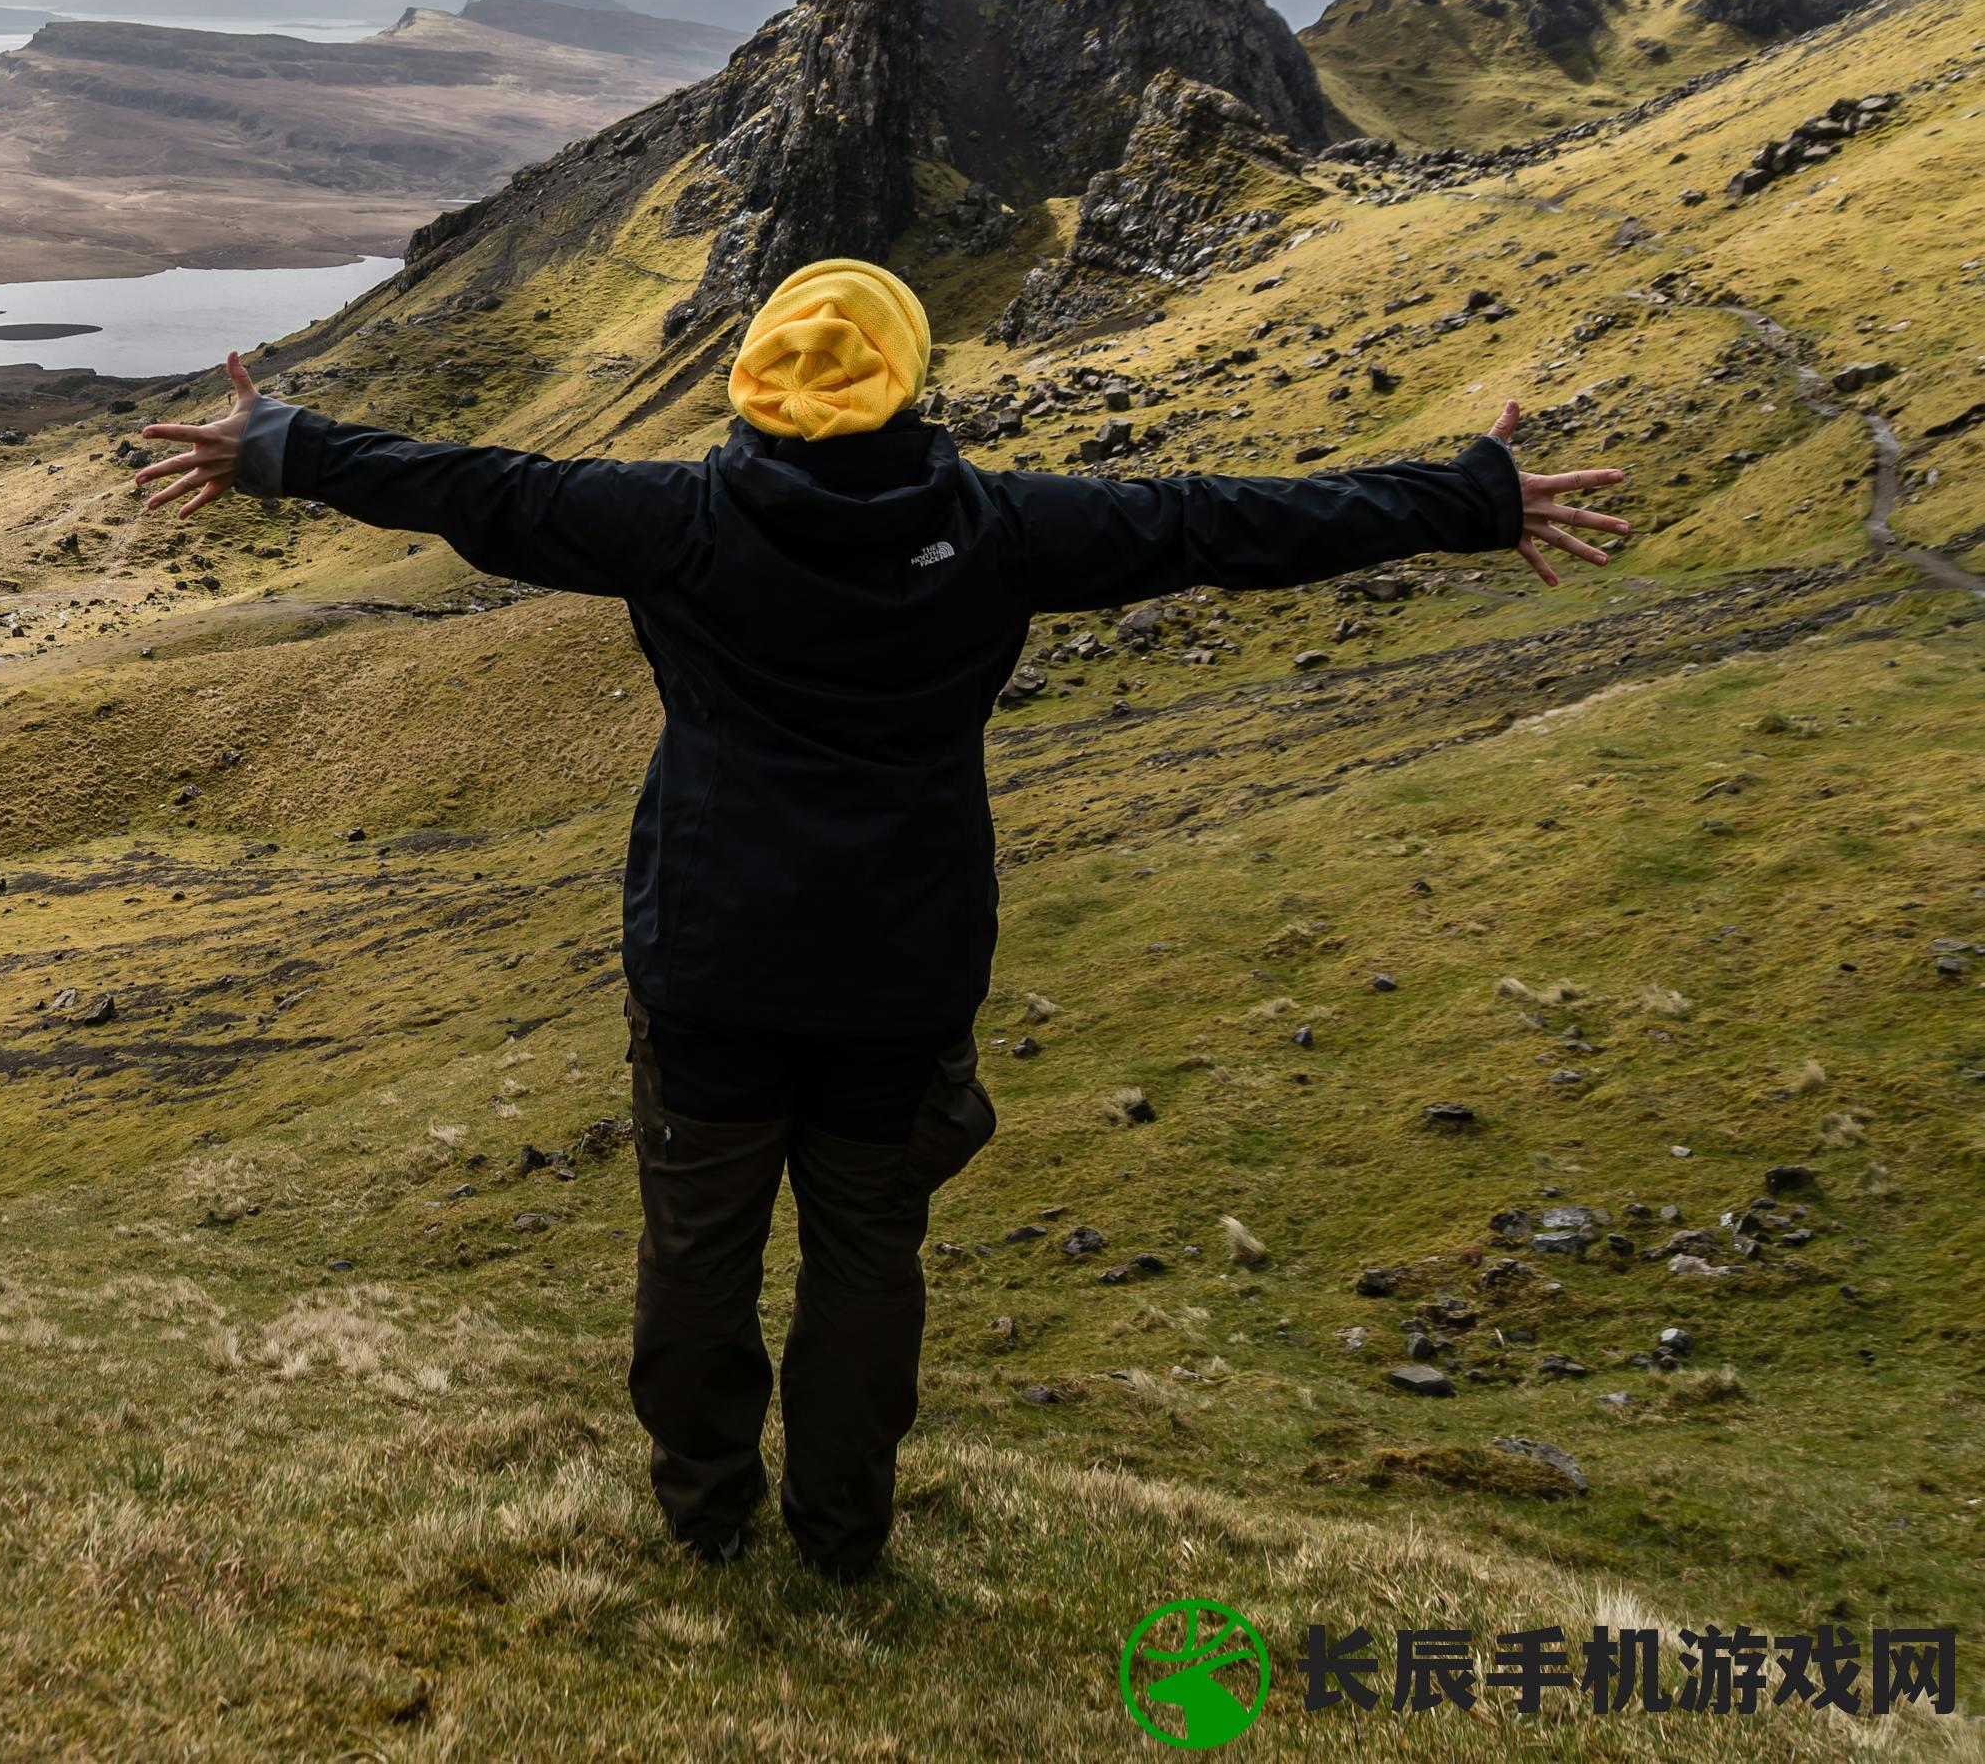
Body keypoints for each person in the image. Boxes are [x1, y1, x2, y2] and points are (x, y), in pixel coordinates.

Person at [133, 259, 1629, 1579]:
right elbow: (1216, 525)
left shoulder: (674, 522)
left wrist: (285, 445)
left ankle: (705, 1515)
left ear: (752, 385)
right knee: (865, 1252)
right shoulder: (998, 528)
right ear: (911, 381)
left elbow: (484, 489)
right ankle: (841, 1538)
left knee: (697, 1247)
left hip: (710, 958)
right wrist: (1466, 498)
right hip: (901, 967)